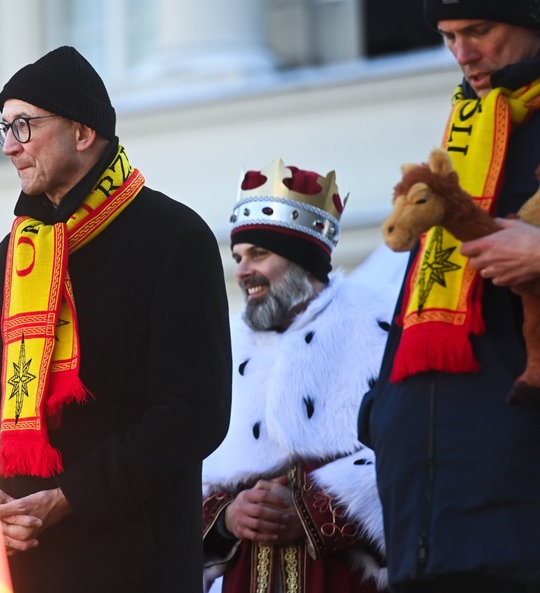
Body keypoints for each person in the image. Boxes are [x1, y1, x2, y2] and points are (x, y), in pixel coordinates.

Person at [0, 45, 232, 593]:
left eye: (24, 126)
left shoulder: (172, 238)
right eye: (4, 128)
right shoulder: (11, 256)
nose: (10, 146)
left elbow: (193, 412)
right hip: (20, 562)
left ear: (83, 133)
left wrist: (70, 498)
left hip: (131, 564)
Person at [359, 1, 540, 591]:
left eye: (479, 30)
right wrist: (382, 414)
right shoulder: (466, 135)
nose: (463, 54)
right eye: (448, 37)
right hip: (432, 523)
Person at [202, 160, 390, 593]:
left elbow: (414, 459)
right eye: (238, 257)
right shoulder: (224, 345)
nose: (242, 271)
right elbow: (194, 478)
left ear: (303, 261)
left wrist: (312, 509)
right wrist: (229, 518)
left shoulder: (377, 328)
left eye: (259, 255)